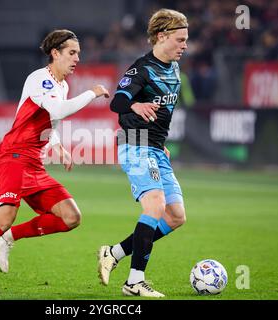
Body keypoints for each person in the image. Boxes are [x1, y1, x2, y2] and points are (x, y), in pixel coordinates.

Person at [0, 29, 110, 292]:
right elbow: (57, 110)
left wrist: (57, 145)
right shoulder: (42, 79)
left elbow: (47, 122)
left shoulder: (62, 85)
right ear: (55, 53)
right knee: (4, 217)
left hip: (33, 162)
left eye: (78, 54)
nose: (76, 59)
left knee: (71, 217)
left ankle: (10, 237)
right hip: (14, 156)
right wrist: (92, 93)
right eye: (72, 53)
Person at [97, 8, 189, 298]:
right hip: (135, 144)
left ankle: (114, 252)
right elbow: (117, 102)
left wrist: (160, 143)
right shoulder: (141, 69)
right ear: (161, 37)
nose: (185, 45)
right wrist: (134, 105)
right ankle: (134, 281)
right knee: (154, 206)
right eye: (180, 39)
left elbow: (163, 114)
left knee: (175, 216)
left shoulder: (174, 68)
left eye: (186, 39)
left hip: (154, 147)